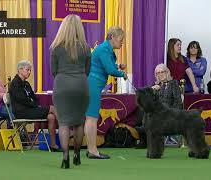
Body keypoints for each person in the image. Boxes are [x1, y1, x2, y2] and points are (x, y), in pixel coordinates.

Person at [50, 14, 91, 169]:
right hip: (81, 85)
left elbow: (53, 71)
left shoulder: (56, 47)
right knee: (80, 122)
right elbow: (87, 70)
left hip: (62, 85)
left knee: (64, 123)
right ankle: (77, 154)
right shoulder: (86, 47)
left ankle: (65, 156)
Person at [85, 26, 128, 159]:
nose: (122, 43)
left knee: (91, 117)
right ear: (112, 37)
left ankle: (91, 149)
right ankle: (92, 151)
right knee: (91, 118)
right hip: (93, 84)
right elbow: (109, 69)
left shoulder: (105, 49)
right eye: (121, 40)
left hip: (93, 84)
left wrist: (117, 66)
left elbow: (104, 65)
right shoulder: (104, 49)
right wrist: (122, 73)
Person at [8, 60, 60, 151]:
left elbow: (34, 98)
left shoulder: (26, 84)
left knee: (51, 117)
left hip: (30, 109)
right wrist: (35, 105)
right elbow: (22, 100)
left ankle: (53, 145)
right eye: (27, 70)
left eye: (30, 70)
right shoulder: (15, 83)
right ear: (19, 70)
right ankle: (67, 131)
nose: (29, 72)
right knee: (52, 108)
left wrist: (35, 104)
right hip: (22, 112)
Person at [135, 63, 183, 148]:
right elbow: (146, 99)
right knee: (143, 111)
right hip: (157, 113)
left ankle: (144, 132)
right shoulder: (155, 86)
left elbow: (178, 102)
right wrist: (152, 89)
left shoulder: (173, 83)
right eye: (158, 73)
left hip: (169, 112)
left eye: (162, 72)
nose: (160, 74)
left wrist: (175, 113)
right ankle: (144, 138)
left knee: (151, 118)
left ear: (167, 72)